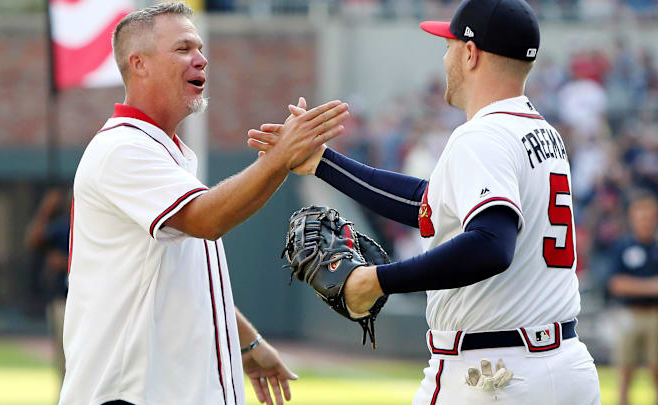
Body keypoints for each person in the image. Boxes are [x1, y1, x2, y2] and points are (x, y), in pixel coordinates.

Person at [248, 0, 601, 403]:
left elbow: (491, 244)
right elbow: (429, 205)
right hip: (564, 367)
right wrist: (324, 163)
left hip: (493, 373)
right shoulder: (540, 133)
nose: (445, 56)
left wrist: (377, 281)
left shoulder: (481, 136)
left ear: (470, 53)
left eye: (449, 44)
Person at [58, 2, 349, 405]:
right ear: (138, 64)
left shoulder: (164, 152)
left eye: (199, 48)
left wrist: (246, 342)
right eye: (183, 49)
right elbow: (207, 220)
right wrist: (280, 158)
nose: (201, 58)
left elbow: (184, 281)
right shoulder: (123, 148)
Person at [606, 191, 658, 405]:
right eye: (641, 216)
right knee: (625, 373)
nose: (645, 222)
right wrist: (650, 286)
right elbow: (616, 284)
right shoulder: (623, 247)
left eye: (649, 217)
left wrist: (633, 285)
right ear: (632, 218)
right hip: (628, 315)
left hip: (655, 315)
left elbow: (624, 283)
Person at [25, 188, 71, 384]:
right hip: (64, 299)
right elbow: (33, 240)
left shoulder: (102, 226)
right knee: (65, 359)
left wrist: (66, 261)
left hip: (95, 302)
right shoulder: (64, 226)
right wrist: (46, 209)